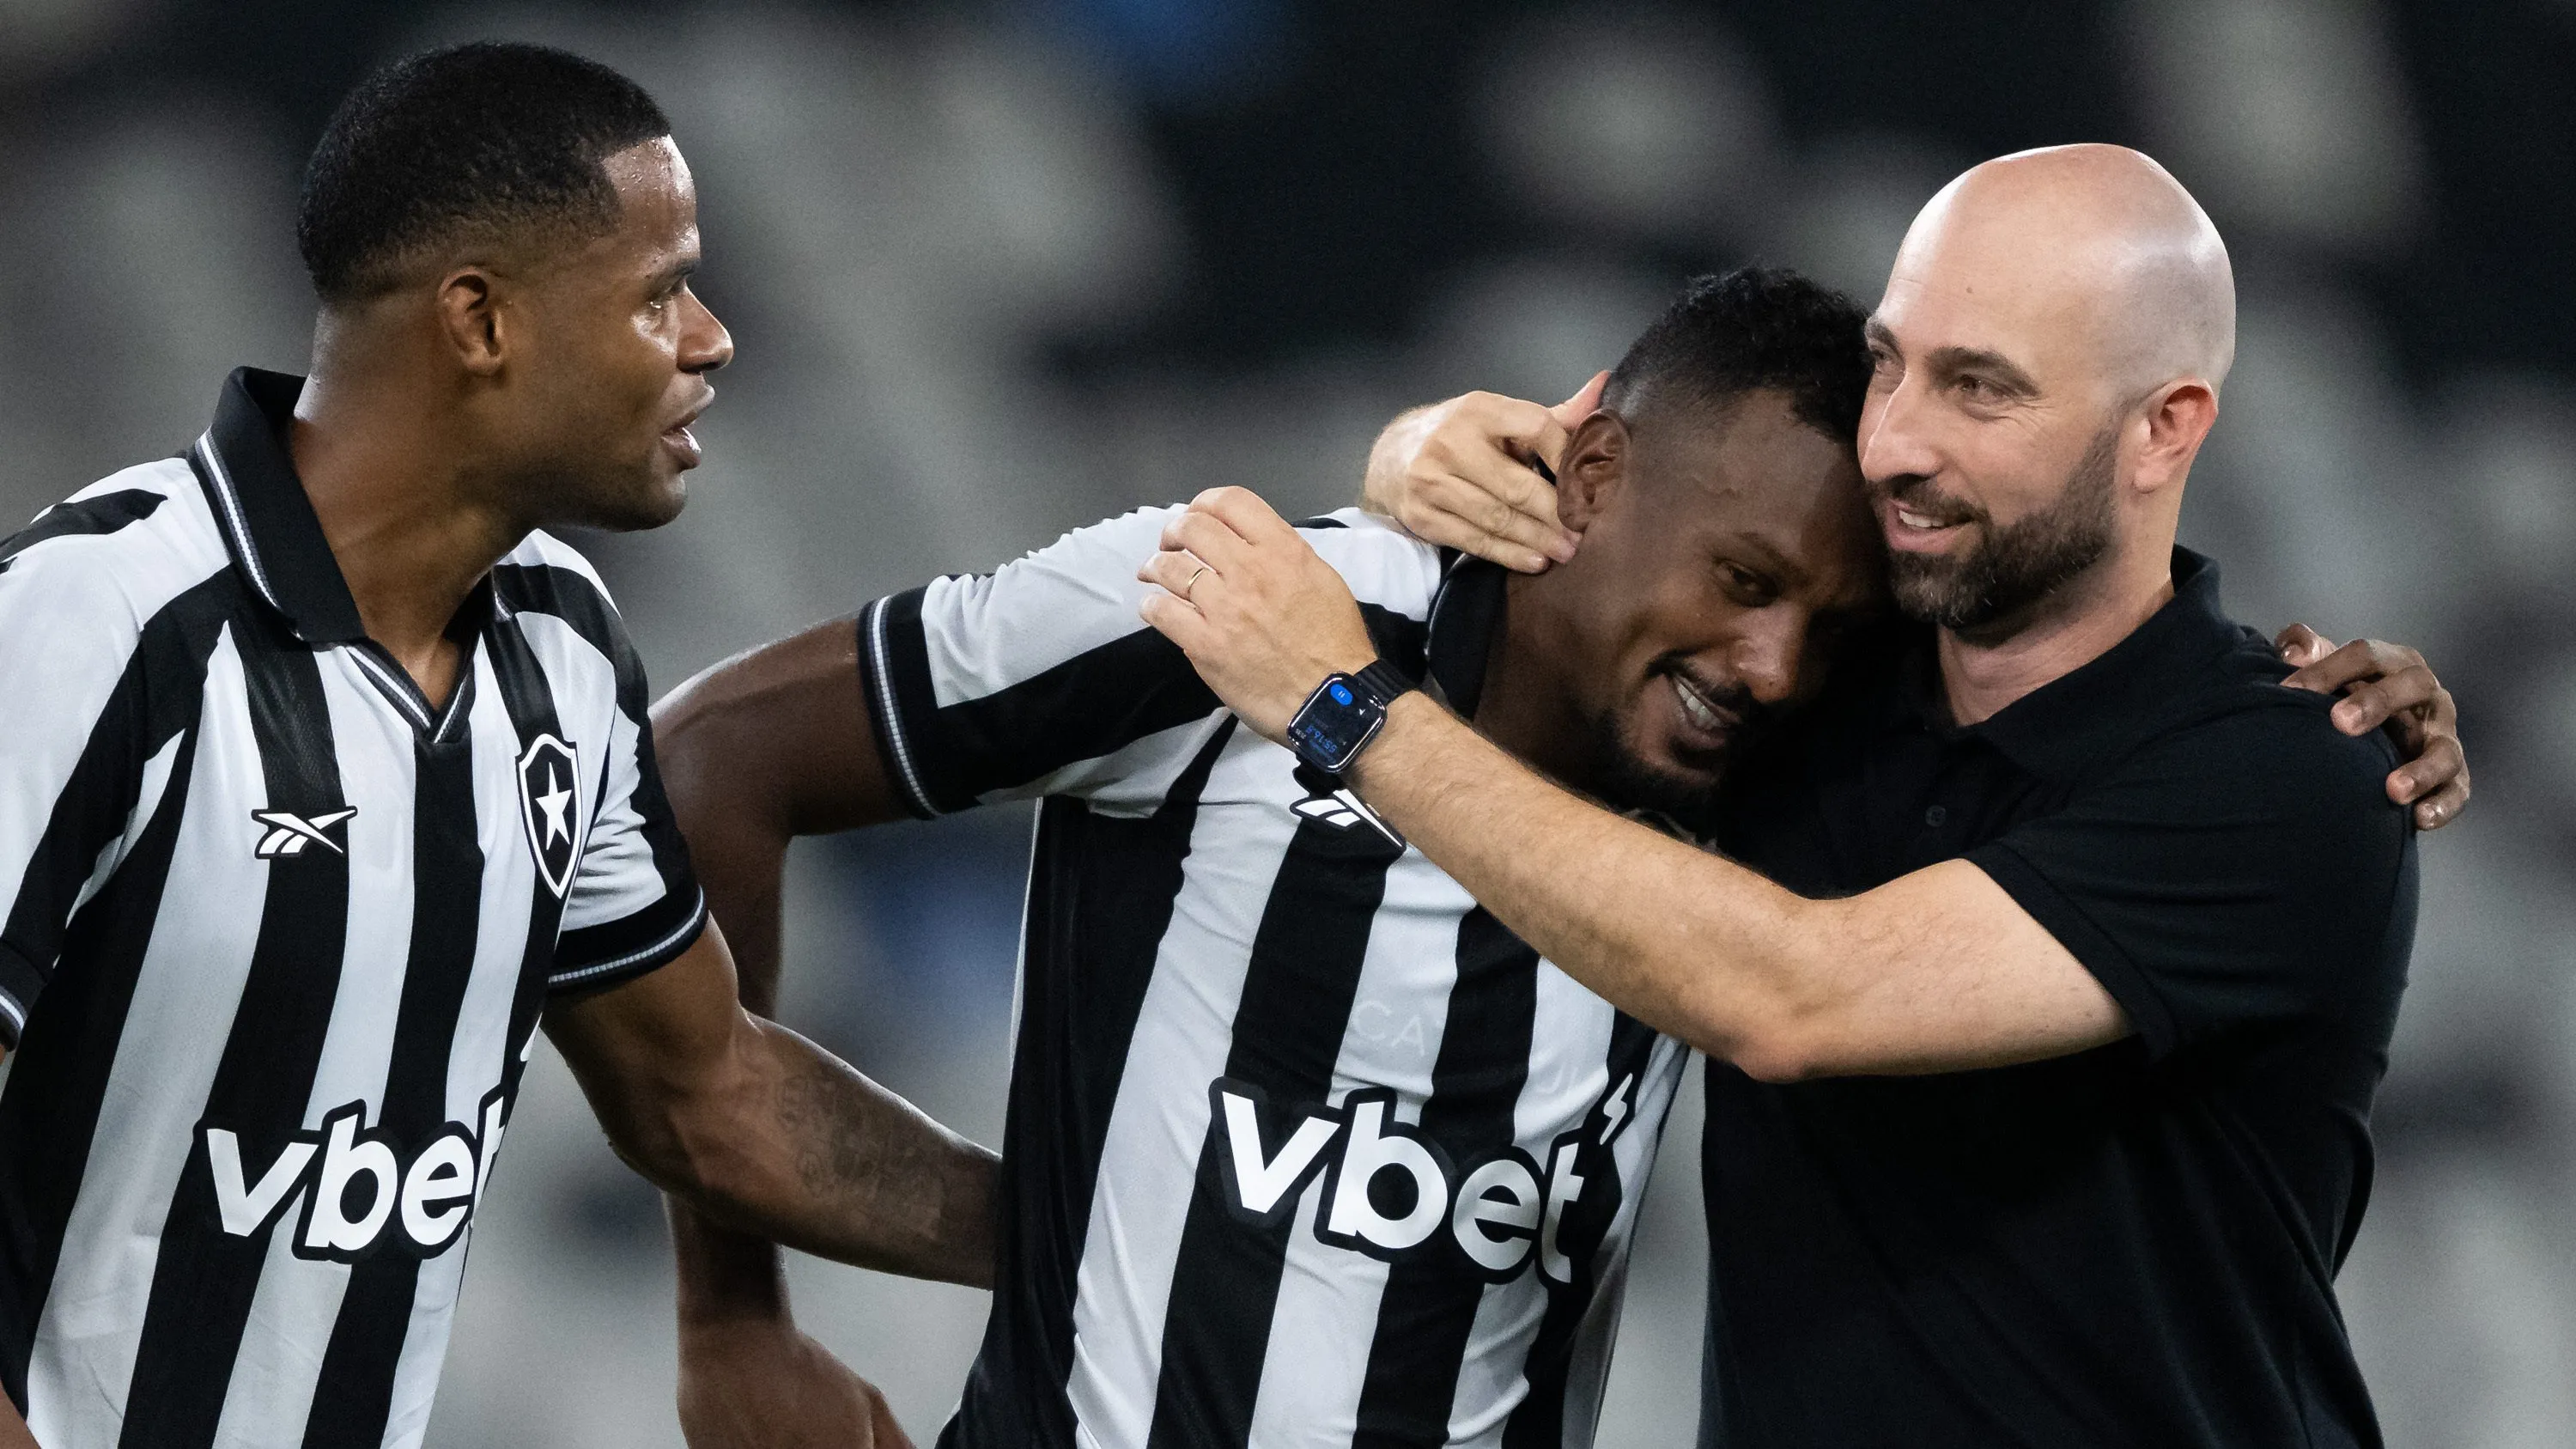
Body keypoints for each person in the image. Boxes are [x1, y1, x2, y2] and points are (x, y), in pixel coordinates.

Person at [654, 259, 2463, 1446]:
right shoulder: (1240, 614)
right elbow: (720, 754)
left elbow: (2079, 705)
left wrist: (2324, 695)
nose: (1768, 666)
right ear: (1585, 474)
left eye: (1823, 634)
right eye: (1742, 585)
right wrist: (733, 1322)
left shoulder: (1782, 767)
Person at [1139, 145, 2448, 1446]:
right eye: (1892, 361)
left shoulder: (2293, 772)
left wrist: (1343, 706)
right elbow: (1560, 615)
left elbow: (1793, 995)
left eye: (1980, 390)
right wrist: (1415, 460)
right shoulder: (1812, 687)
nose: (1895, 441)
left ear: (2164, 426)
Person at [0, 44, 991, 1449]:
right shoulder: (99, 623)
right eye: (659, 294)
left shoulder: (561, 651)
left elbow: (706, 1094)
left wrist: (1085, 1237)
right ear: (480, 321)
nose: (711, 337)